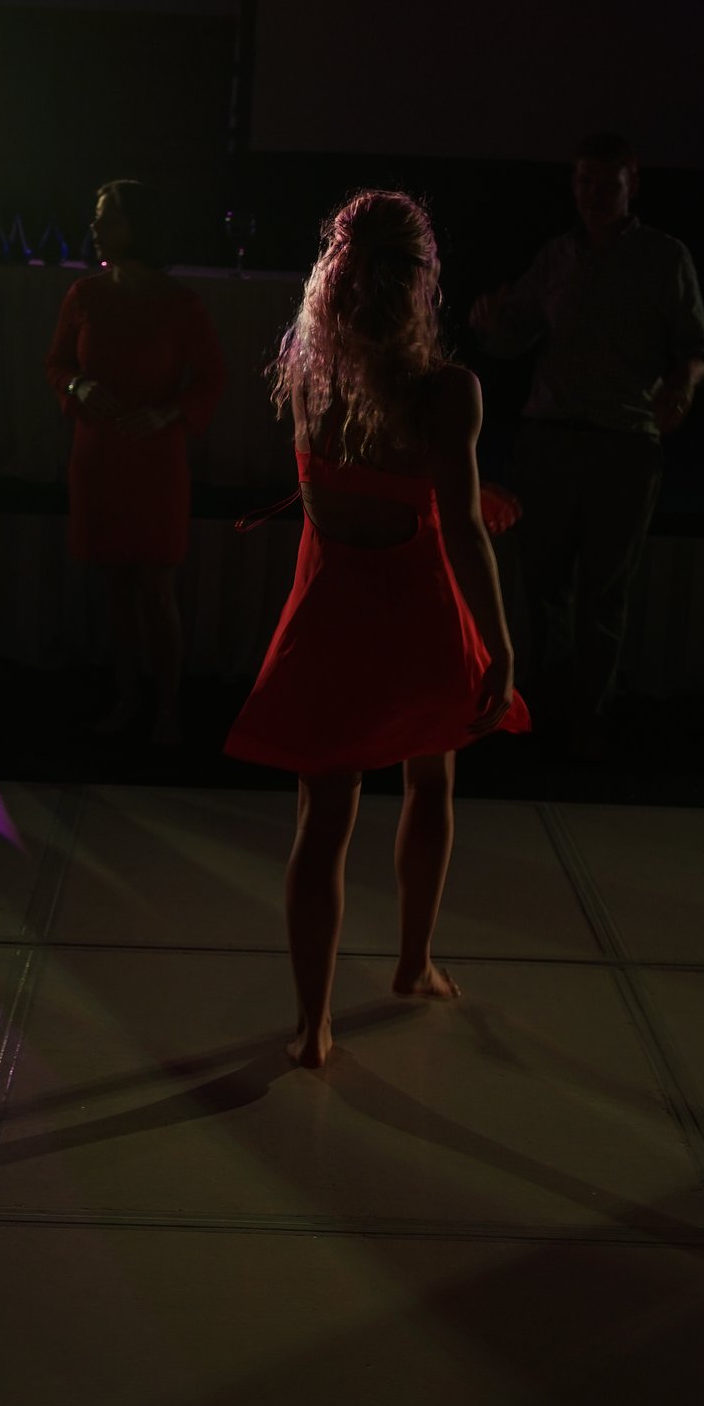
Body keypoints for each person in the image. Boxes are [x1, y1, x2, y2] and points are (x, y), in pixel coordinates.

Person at [224, 189, 530, 1070]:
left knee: (323, 820)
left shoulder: (310, 377)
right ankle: (413, 963)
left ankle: (312, 1025)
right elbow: (458, 529)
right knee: (430, 783)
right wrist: (500, 647)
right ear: (424, 282)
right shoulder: (448, 394)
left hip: (332, 622)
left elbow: (351, 504)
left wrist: (459, 501)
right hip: (422, 619)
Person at [470, 131, 704, 761]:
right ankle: (539, 714)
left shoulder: (664, 258)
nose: (594, 196)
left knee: (604, 591)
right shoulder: (557, 256)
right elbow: (510, 339)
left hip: (623, 446)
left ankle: (586, 723)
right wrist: (491, 324)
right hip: (550, 440)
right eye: (584, 183)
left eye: (607, 185)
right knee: (542, 585)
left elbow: (699, 347)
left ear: (632, 184)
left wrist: (683, 383)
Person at [45, 179, 225, 746]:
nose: (96, 226)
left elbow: (212, 379)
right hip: (99, 455)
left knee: (155, 586)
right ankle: (127, 701)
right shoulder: (85, 294)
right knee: (115, 587)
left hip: (154, 459)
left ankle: (168, 710)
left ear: (137, 227)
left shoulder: (180, 304)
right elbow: (55, 364)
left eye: (108, 217)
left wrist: (168, 414)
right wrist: (77, 384)